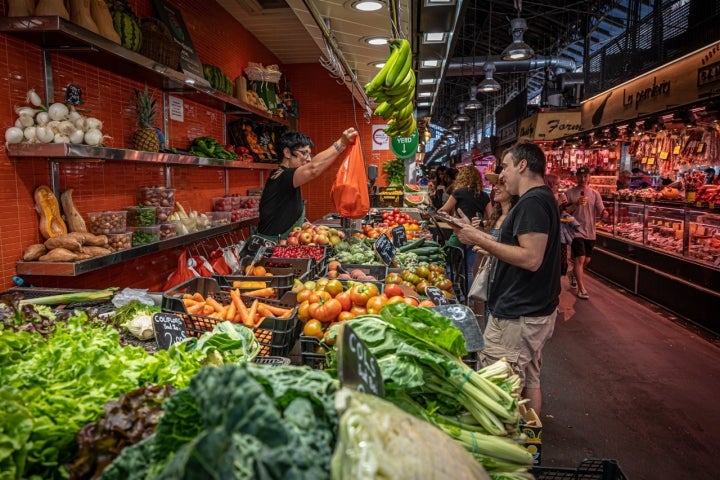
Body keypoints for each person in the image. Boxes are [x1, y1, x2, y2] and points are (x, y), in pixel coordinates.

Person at [451, 142, 560, 414]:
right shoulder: (538, 200)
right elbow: (517, 247)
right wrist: (481, 236)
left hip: (518, 315)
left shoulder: (532, 203)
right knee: (529, 380)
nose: (501, 175)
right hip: (533, 311)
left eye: (506, 167)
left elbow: (531, 258)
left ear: (522, 166)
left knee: (497, 394)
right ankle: (530, 441)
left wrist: (479, 239)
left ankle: (514, 447)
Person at [257, 128, 358, 239]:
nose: (308, 159)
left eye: (310, 154)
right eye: (304, 153)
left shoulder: (289, 178)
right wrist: (342, 143)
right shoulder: (282, 176)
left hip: (285, 243)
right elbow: (313, 169)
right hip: (270, 247)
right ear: (287, 152)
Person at [438, 165, 492, 297]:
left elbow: (441, 211)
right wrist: (481, 224)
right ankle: (470, 299)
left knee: (449, 266)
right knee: (469, 271)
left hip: (459, 235)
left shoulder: (458, 192)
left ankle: (452, 295)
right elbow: (491, 219)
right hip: (476, 236)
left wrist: (453, 220)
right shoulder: (484, 195)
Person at [564, 166, 609, 299]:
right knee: (580, 259)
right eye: (580, 176)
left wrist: (604, 213)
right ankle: (581, 289)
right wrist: (576, 204)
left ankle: (572, 274)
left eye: (585, 176)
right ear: (576, 177)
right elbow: (564, 212)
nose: (583, 179)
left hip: (590, 231)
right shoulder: (569, 193)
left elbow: (601, 209)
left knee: (586, 260)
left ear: (589, 177)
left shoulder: (595, 194)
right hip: (575, 231)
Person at [545, 173, 569, 277]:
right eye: (556, 185)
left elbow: (561, 214)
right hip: (551, 236)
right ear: (549, 184)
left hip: (559, 235)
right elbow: (549, 217)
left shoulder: (554, 197)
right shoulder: (545, 199)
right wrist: (558, 203)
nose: (558, 187)